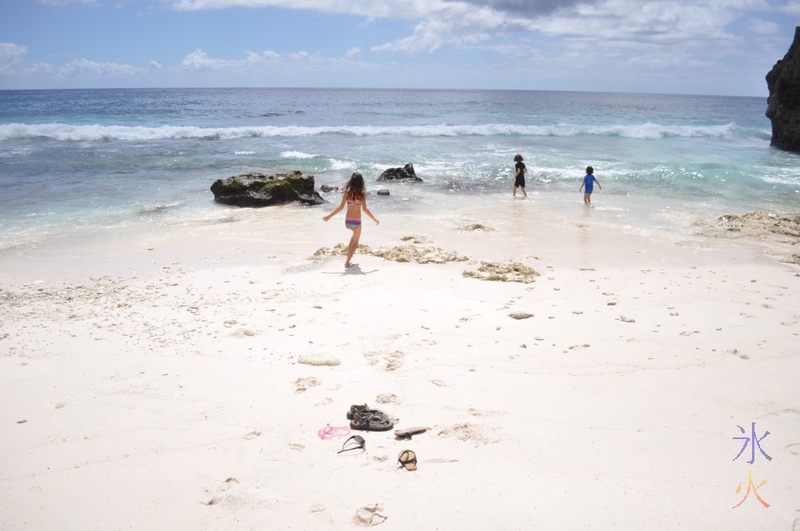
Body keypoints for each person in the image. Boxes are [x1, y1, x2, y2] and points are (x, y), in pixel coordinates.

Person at [322, 172, 379, 268]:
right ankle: (347, 262)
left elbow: (340, 208)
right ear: (361, 183)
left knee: (354, 235)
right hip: (357, 221)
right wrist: (374, 219)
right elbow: (365, 209)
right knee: (356, 241)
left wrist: (328, 217)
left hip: (348, 221)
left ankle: (348, 252)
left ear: (351, 182)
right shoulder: (362, 195)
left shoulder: (347, 194)